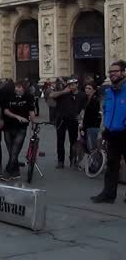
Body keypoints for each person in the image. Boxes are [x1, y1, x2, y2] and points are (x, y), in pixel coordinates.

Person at [91, 60, 126, 204]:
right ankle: (108, 194)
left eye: (115, 71)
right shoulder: (109, 91)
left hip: (125, 132)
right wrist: (102, 130)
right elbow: (105, 111)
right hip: (111, 133)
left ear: (123, 72)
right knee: (111, 165)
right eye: (110, 72)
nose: (112, 74)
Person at [1, 81, 35, 180]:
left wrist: (34, 125)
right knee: (11, 151)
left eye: (19, 87)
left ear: (24, 88)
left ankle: (7, 172)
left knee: (15, 150)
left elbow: (31, 111)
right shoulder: (9, 96)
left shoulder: (28, 97)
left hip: (21, 127)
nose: (17, 89)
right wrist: (17, 117)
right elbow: (6, 111)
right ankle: (16, 172)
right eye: (16, 87)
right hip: (8, 126)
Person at [50, 78, 86, 168]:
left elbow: (84, 107)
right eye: (69, 84)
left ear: (77, 84)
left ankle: (73, 160)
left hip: (73, 120)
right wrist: (63, 92)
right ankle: (60, 161)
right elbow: (51, 95)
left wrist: (81, 116)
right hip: (61, 119)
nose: (71, 86)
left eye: (73, 84)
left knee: (73, 141)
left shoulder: (82, 95)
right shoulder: (63, 93)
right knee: (60, 141)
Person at [80, 83, 102, 156]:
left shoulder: (95, 100)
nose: (87, 90)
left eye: (89, 88)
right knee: (88, 146)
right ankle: (91, 165)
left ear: (94, 90)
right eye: (86, 88)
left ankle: (95, 165)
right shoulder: (86, 100)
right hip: (87, 126)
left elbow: (93, 115)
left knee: (92, 147)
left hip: (92, 126)